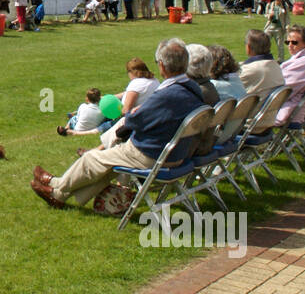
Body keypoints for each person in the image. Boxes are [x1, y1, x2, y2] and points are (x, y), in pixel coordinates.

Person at [31, 39, 205, 211]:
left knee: (92, 158)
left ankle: (57, 186)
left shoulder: (168, 94)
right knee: (107, 165)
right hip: (178, 154)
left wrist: (135, 112)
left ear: (162, 66)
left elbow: (132, 121)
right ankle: (59, 195)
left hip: (152, 154)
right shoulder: (193, 88)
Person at [277, 25, 305, 123]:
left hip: (288, 111)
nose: (290, 45)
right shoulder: (304, 59)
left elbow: (283, 89)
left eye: (294, 42)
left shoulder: (304, 64)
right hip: (288, 105)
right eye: (287, 42)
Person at [238, 28, 286, 95]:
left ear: (248, 47)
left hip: (255, 104)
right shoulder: (276, 66)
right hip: (272, 104)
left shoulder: (248, 70)